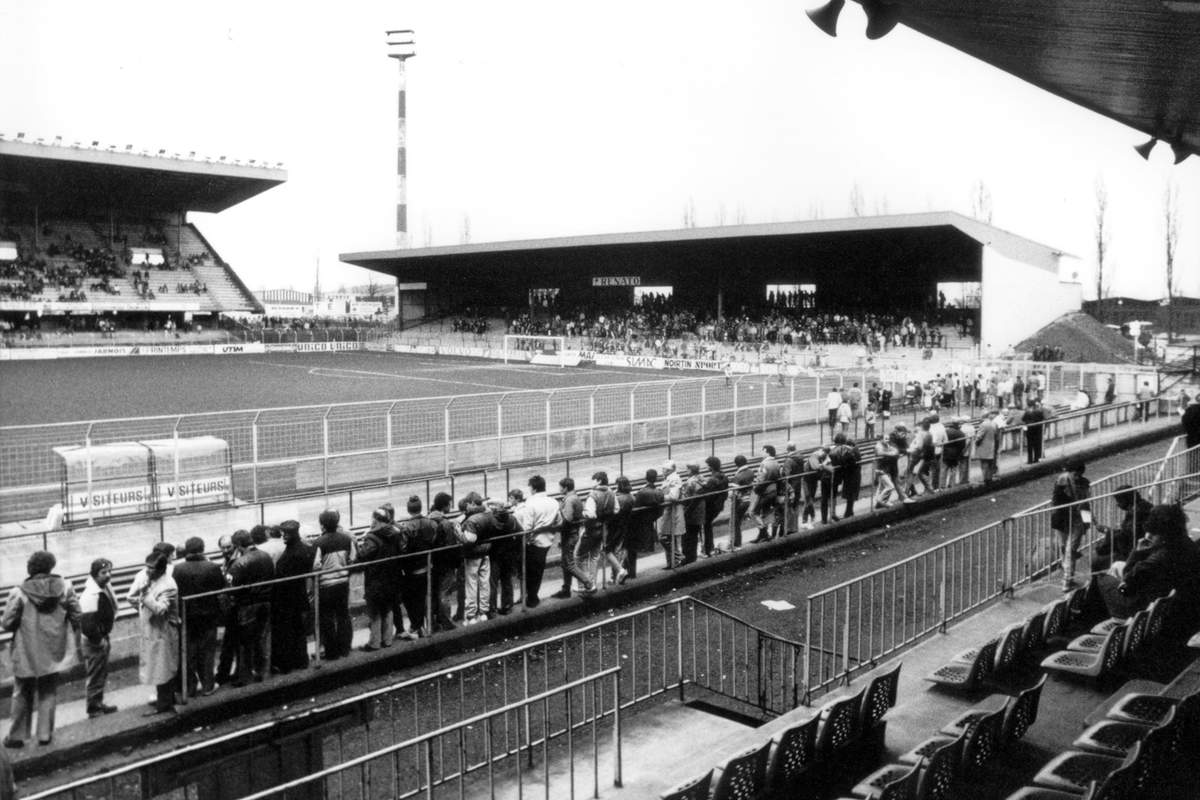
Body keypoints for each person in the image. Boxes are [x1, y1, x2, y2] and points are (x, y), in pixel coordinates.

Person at [2, 551, 81, 746]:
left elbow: (7, 623)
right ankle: (45, 735)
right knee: (48, 691)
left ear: (31, 568)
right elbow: (77, 615)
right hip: (54, 649)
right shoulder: (65, 587)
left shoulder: (19, 592)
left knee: (22, 691)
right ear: (50, 567)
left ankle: (16, 737)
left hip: (26, 651)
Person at [1094, 504, 1200, 630]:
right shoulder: (1186, 543)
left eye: (1154, 534)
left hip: (1144, 606)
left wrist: (1137, 552)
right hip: (1170, 598)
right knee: (1117, 566)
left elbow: (1128, 581)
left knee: (1102, 578)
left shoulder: (1155, 561)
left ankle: (1114, 615)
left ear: (1164, 534)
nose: (1149, 536)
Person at [173, 538, 225, 696]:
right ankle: (208, 685)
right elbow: (221, 587)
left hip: (187, 616)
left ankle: (190, 686)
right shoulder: (212, 567)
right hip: (208, 616)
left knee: (189, 652)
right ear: (203, 549)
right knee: (207, 652)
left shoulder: (178, 569)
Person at [132, 552, 180, 715]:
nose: (147, 571)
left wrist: (145, 594)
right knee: (158, 668)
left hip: (163, 632)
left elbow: (160, 609)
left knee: (163, 668)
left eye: (151, 568)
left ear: (161, 569)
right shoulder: (152, 579)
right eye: (147, 567)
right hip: (154, 630)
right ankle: (166, 699)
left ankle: (164, 704)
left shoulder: (169, 585)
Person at [227, 529, 274, 684]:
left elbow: (230, 588)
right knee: (263, 639)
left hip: (247, 605)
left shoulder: (239, 563)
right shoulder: (266, 556)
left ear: (238, 545)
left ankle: (245, 676)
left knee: (245, 642)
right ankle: (264, 672)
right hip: (266, 601)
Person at [311, 509, 356, 660]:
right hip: (343, 583)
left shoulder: (318, 542)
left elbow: (316, 565)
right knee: (344, 615)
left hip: (326, 586)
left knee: (327, 619)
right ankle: (345, 648)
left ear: (322, 525)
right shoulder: (346, 539)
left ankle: (331, 652)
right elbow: (353, 559)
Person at [271, 521, 314, 673]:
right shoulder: (304, 549)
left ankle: (287, 664)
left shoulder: (292, 553)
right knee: (298, 630)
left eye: (286, 534)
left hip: (287, 597)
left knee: (287, 632)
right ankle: (301, 661)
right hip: (299, 595)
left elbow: (283, 575)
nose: (283, 536)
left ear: (294, 534)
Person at [358, 508, 402, 650]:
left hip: (375, 579)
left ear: (376, 520)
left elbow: (362, 556)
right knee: (388, 608)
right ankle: (387, 640)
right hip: (392, 577)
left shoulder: (372, 537)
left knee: (375, 611)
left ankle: (374, 643)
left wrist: (364, 538)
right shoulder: (396, 533)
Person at [395, 495, 441, 634]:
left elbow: (403, 549)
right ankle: (430, 624)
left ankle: (417, 625)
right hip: (429, 566)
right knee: (428, 597)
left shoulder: (407, 527)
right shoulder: (431, 524)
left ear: (408, 510)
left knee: (413, 600)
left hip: (413, 570)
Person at [79, 558, 118, 716]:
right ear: (95, 574)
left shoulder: (103, 587)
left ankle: (98, 703)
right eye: (103, 572)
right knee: (95, 674)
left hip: (101, 636)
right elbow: (87, 624)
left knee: (101, 673)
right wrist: (99, 641)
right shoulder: (90, 594)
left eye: (109, 571)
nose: (108, 575)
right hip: (94, 640)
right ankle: (94, 708)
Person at [517, 475, 560, 606]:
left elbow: (527, 527)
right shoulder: (554, 502)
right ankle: (533, 596)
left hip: (533, 542)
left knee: (529, 570)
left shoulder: (530, 503)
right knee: (538, 569)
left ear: (534, 489)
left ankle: (530, 597)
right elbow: (559, 522)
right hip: (548, 541)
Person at [1050, 462, 1091, 592]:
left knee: (1070, 550)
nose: (1075, 476)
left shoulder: (1084, 484)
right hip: (1063, 519)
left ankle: (1067, 580)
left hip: (1076, 519)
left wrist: (1087, 522)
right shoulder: (1062, 481)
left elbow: (1086, 503)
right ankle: (1068, 576)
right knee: (1063, 548)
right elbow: (1056, 501)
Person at [1091, 487, 1152, 573]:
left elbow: (1127, 535)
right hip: (1135, 546)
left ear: (1125, 499)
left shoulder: (1137, 512)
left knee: (1096, 559)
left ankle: (1097, 581)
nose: (1117, 504)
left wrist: (1107, 531)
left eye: (1119, 501)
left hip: (1132, 551)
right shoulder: (1141, 506)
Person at [428, 493, 463, 630]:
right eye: (449, 504)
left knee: (434, 593)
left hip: (432, 563)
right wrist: (456, 563)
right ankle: (447, 622)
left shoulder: (429, 520)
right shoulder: (445, 523)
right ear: (445, 506)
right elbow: (451, 547)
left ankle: (434, 623)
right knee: (444, 593)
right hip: (445, 564)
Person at [553, 478, 587, 597]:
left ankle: (588, 583)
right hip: (571, 534)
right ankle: (566, 589)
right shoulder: (575, 497)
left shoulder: (569, 500)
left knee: (569, 564)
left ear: (565, 488)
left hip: (569, 535)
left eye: (560, 487)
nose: (559, 489)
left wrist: (556, 524)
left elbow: (567, 518)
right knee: (565, 563)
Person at [632, 469, 665, 570]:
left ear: (646, 478)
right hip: (653, 517)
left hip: (642, 518)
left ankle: (644, 547)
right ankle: (649, 546)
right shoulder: (659, 492)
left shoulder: (642, 492)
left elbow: (636, 506)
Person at [751, 445, 782, 542]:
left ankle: (763, 532)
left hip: (765, 492)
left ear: (767, 452)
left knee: (753, 512)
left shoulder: (764, 464)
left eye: (763, 451)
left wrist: (755, 488)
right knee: (766, 512)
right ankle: (763, 536)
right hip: (774, 490)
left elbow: (761, 479)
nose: (761, 453)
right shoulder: (776, 463)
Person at [826, 434, 861, 519]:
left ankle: (844, 513)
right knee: (850, 494)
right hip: (851, 474)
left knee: (845, 494)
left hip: (848, 474)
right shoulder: (852, 450)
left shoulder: (841, 450)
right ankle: (847, 512)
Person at [658, 461, 685, 568]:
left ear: (669, 470)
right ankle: (671, 563)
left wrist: (660, 496)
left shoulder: (674, 479)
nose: (662, 471)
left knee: (665, 537)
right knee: (668, 537)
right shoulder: (669, 478)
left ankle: (677, 558)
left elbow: (674, 496)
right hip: (669, 512)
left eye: (663, 469)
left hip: (673, 512)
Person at [680, 463, 706, 563]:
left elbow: (686, 498)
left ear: (690, 470)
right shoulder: (702, 479)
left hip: (691, 512)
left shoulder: (690, 482)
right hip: (700, 511)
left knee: (687, 536)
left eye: (687, 469)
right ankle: (693, 556)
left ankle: (687, 557)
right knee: (694, 535)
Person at [973, 409, 1001, 485]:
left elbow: (979, 436)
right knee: (990, 464)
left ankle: (985, 479)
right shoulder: (994, 423)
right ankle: (989, 479)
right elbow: (996, 436)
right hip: (992, 446)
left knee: (984, 464)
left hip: (984, 447)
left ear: (982, 416)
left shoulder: (983, 424)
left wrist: (976, 442)